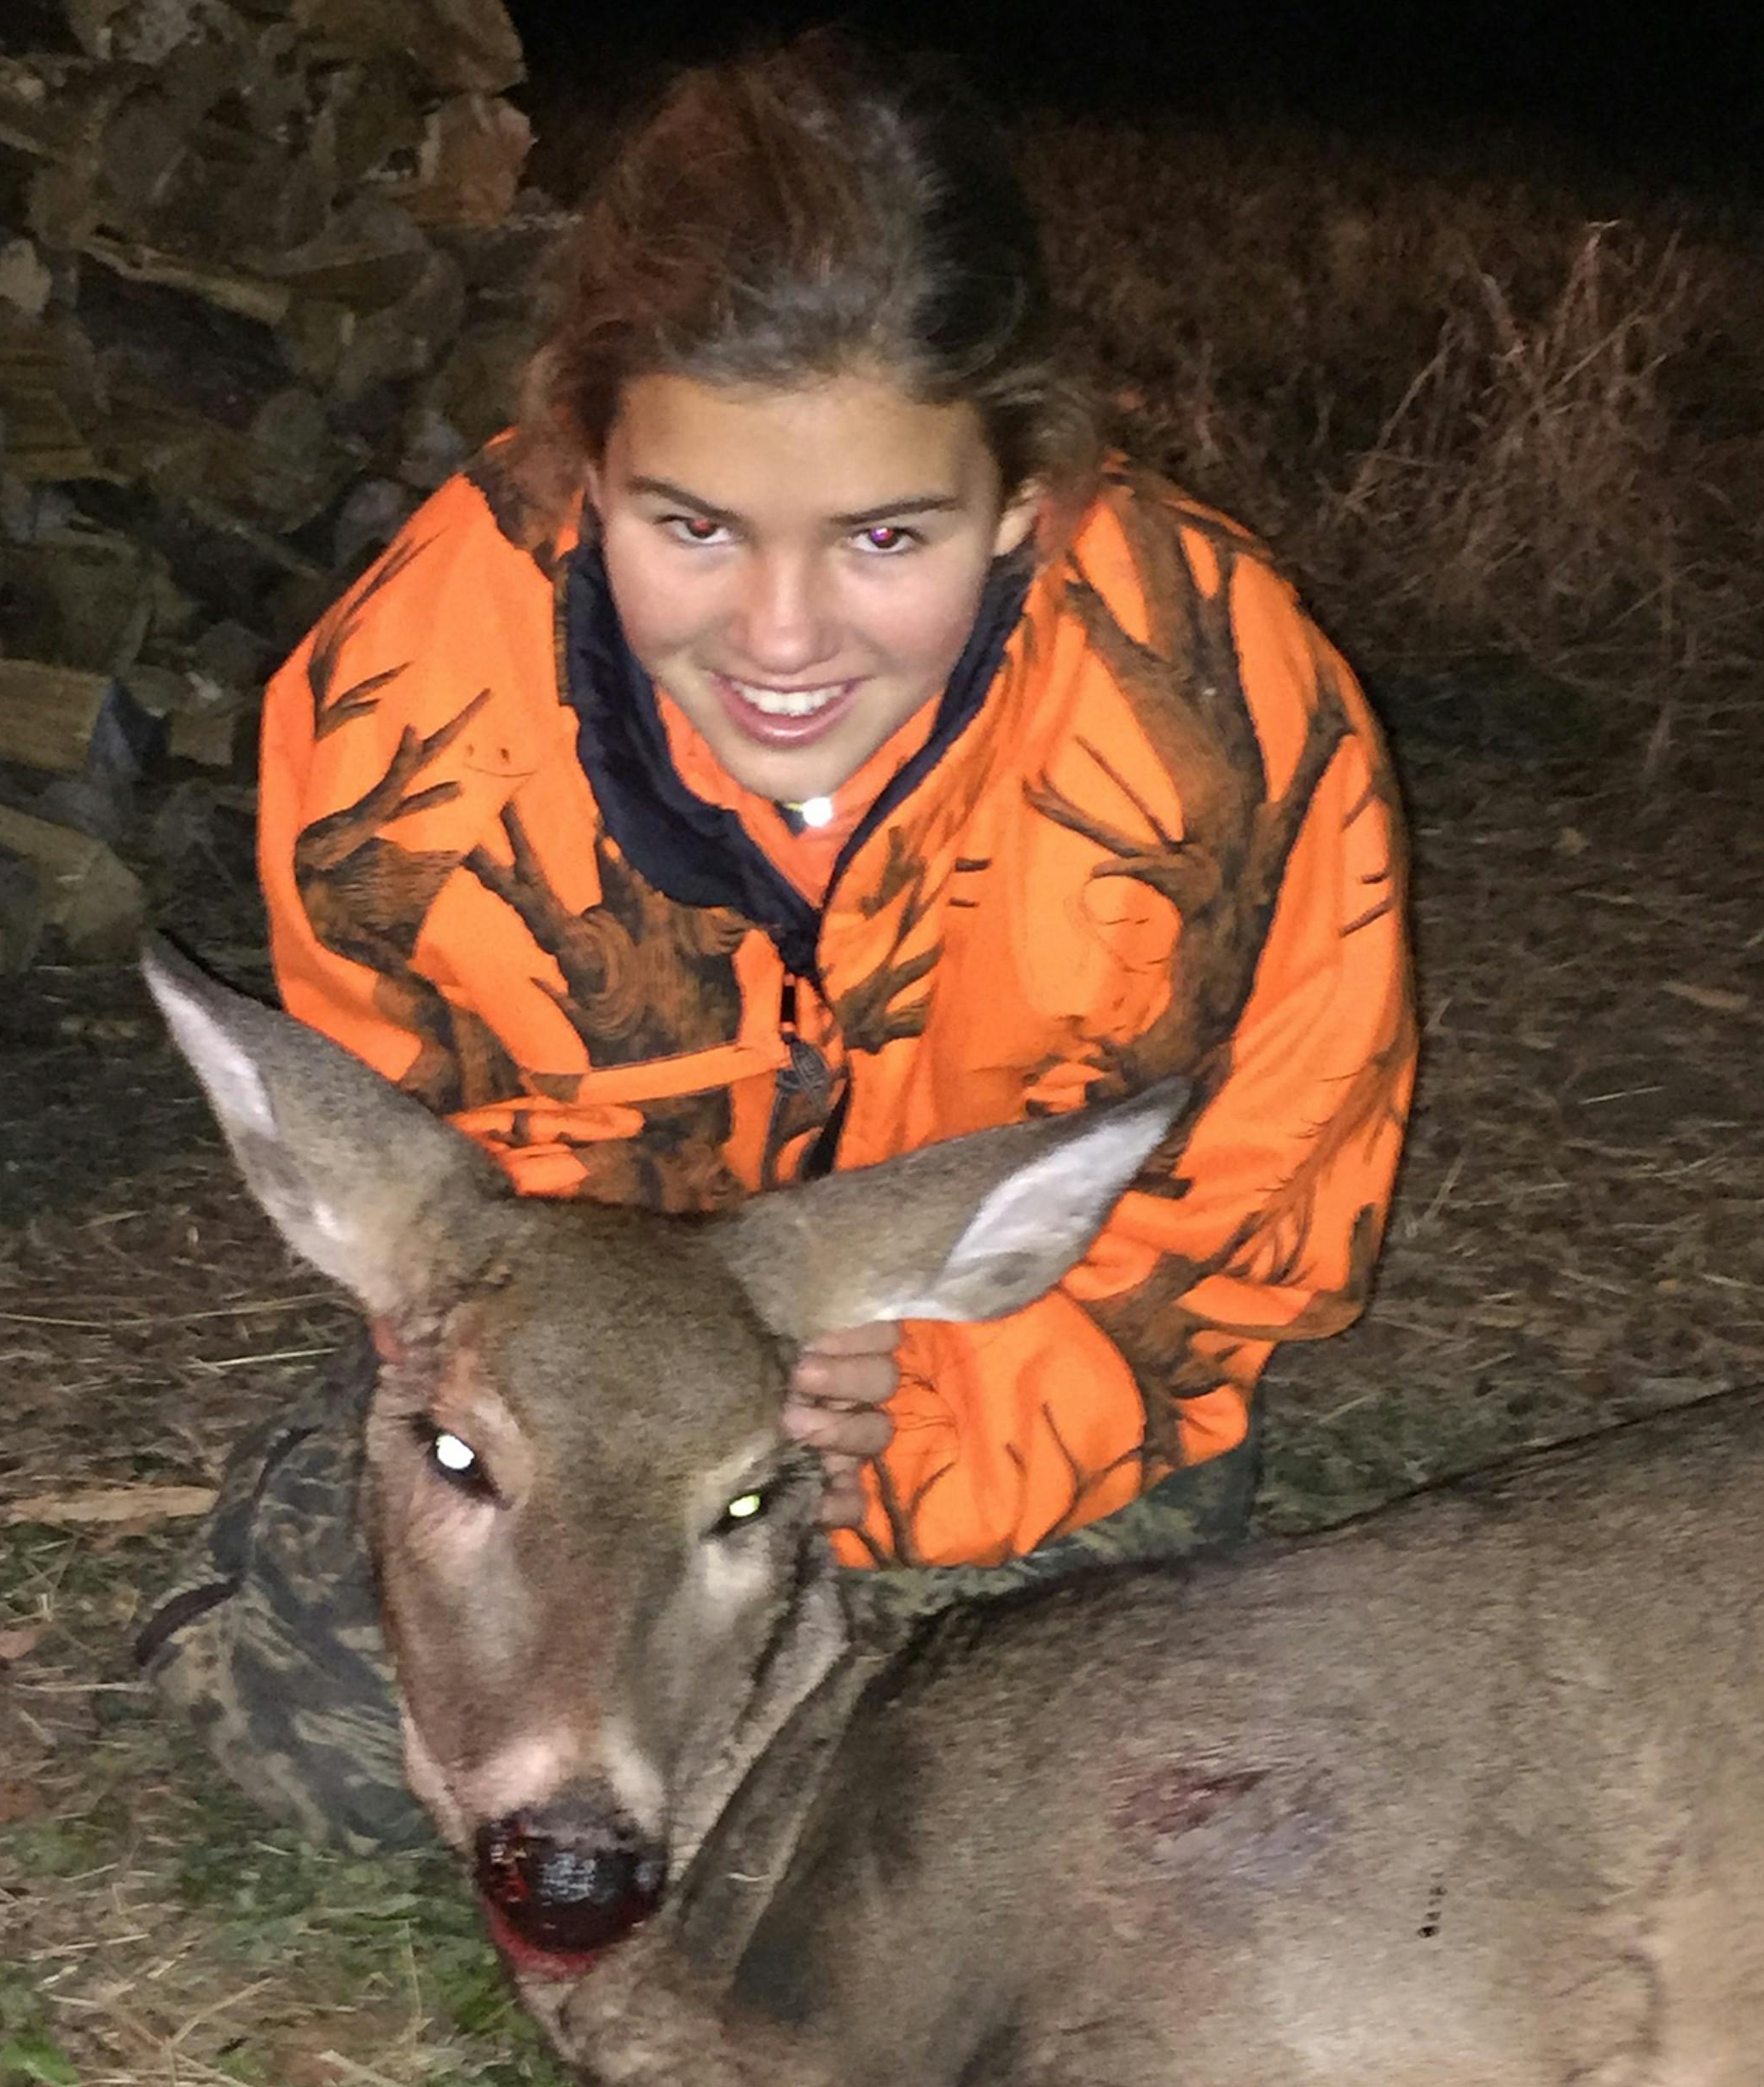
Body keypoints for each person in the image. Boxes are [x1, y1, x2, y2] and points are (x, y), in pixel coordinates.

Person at [136, 34, 1415, 1848]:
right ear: (590, 468)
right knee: (340, 1755)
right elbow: (458, 1194)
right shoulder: (404, 719)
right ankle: (281, 1543)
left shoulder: (1213, 716)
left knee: (1023, 1783)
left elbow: (1245, 1230)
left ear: (1024, 507)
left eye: (888, 533)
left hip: (995, 1358)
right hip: (597, 1388)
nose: (786, 637)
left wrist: (929, 1416)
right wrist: (530, 1366)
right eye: (696, 526)